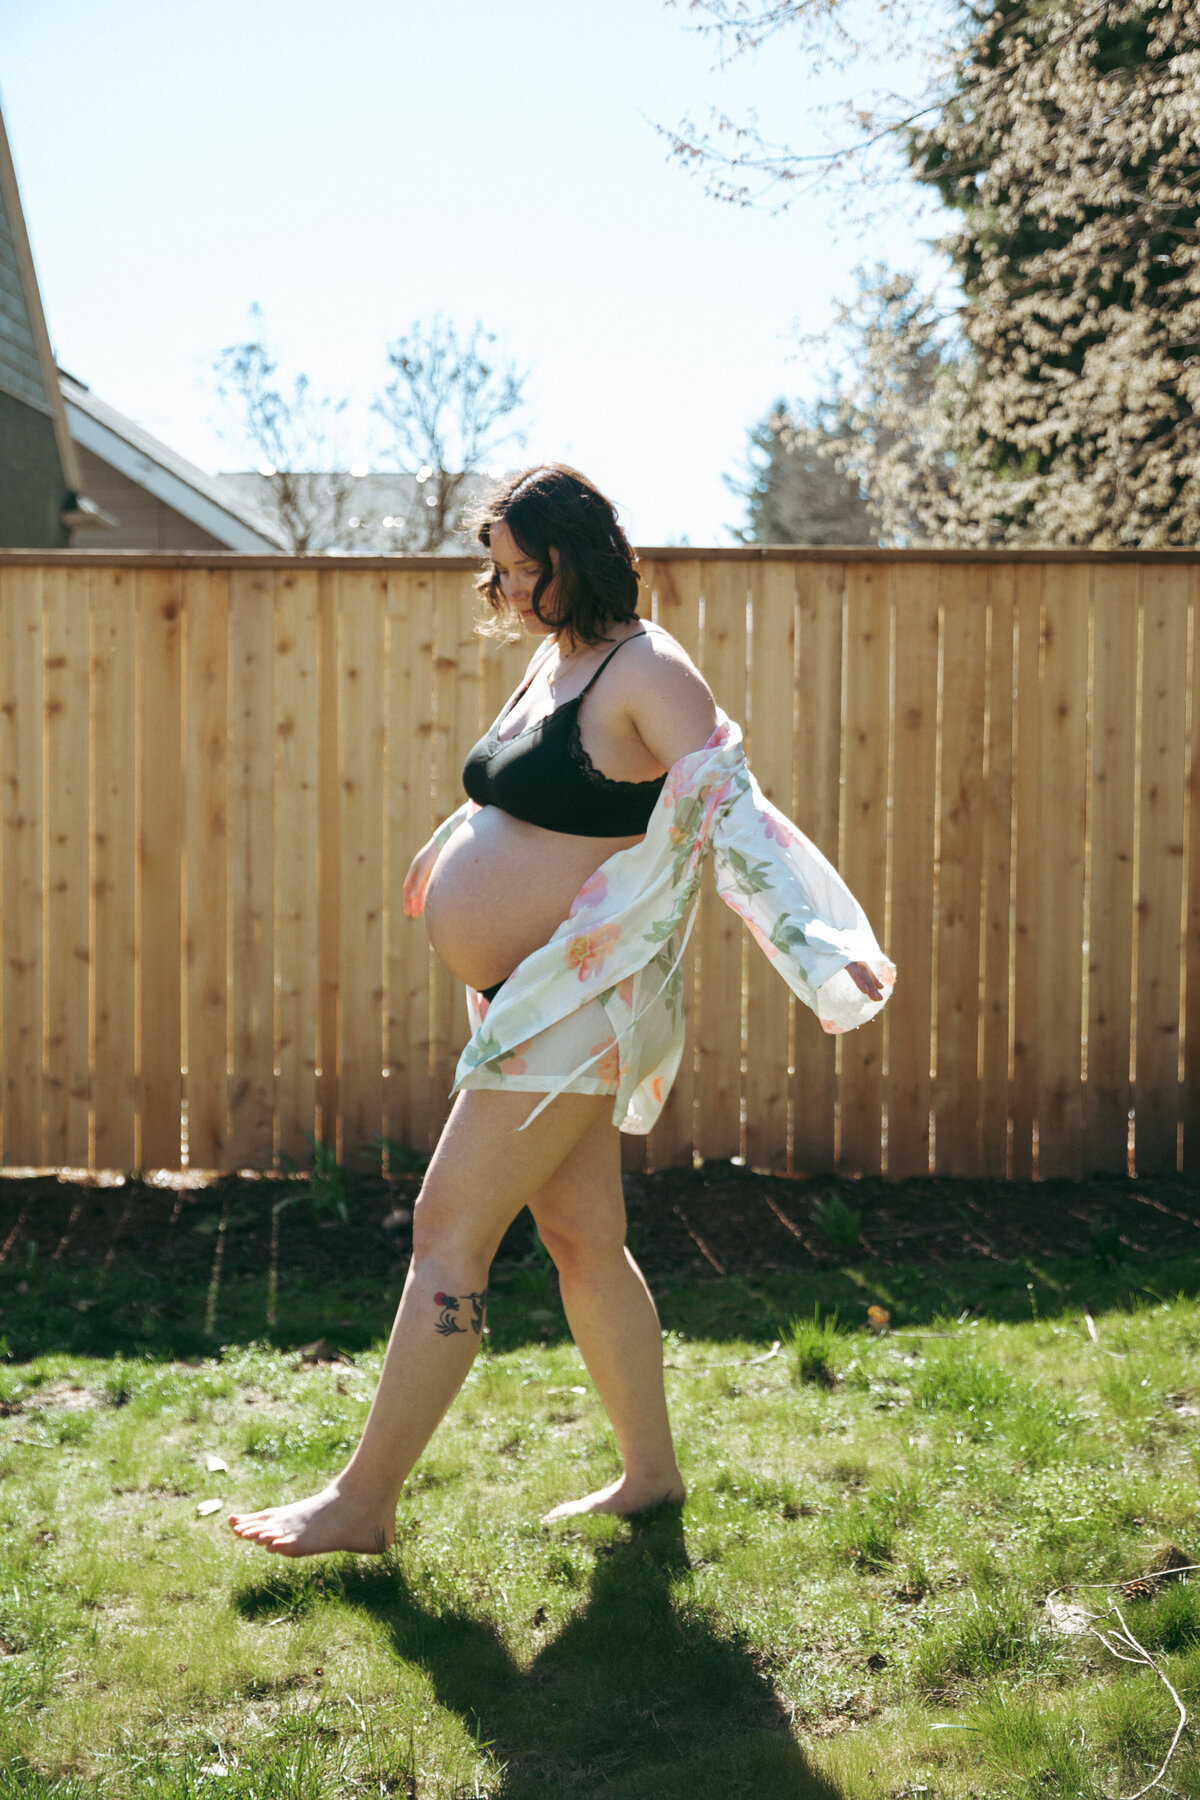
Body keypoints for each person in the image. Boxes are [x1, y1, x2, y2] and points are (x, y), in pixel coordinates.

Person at [229, 464, 891, 1559]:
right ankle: (653, 1477)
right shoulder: (558, 658)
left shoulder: (650, 671)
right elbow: (531, 792)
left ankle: (364, 1502)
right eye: (497, 572)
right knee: (584, 1239)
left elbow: (735, 813)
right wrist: (452, 849)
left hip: (579, 1002)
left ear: (575, 559)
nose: (505, 593)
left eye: (522, 571)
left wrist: (822, 948)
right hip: (529, 991)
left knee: (448, 1235)